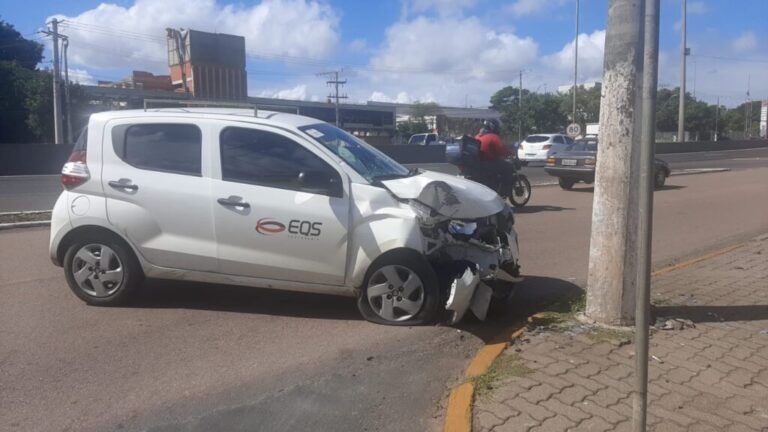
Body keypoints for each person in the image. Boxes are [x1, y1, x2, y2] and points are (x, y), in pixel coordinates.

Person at [474, 119, 516, 195]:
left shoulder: (477, 136)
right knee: (508, 167)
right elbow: (502, 150)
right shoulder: (493, 137)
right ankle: (504, 190)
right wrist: (511, 154)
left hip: (478, 163)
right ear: (493, 127)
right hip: (489, 163)